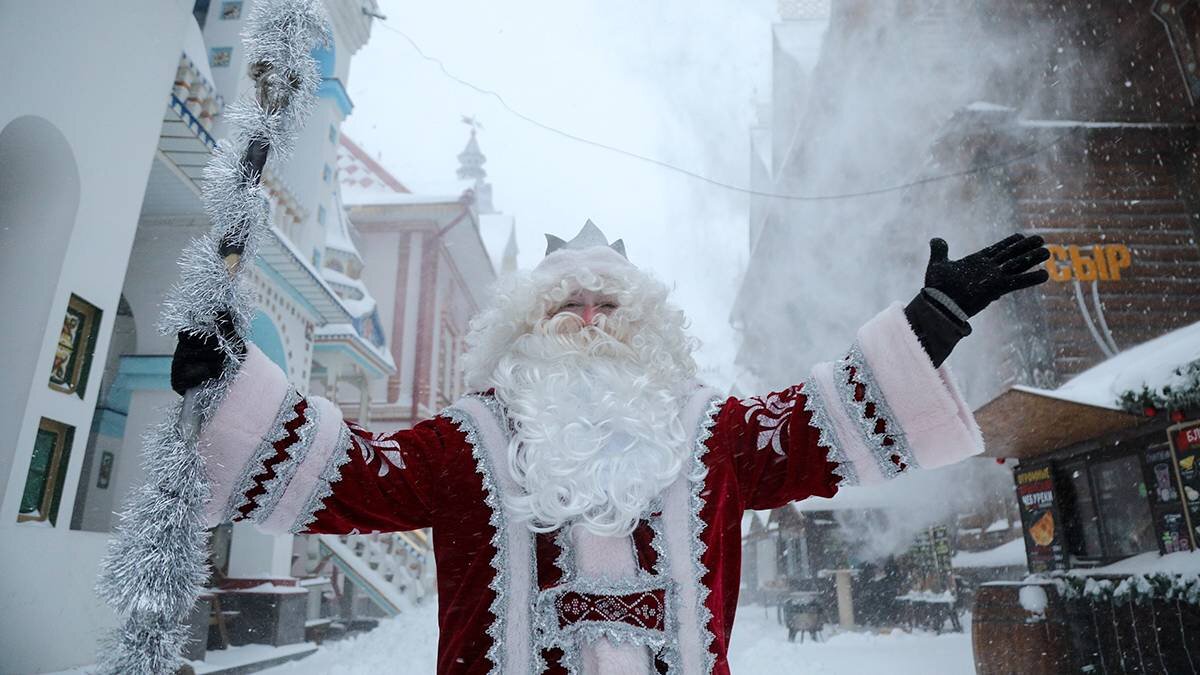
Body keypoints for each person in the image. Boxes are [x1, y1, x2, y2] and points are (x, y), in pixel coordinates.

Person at [172, 222, 1049, 674]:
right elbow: (355, 469)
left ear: (646, 325)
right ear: (529, 326)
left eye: (610, 306)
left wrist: (930, 324)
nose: (590, 321)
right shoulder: (468, 441)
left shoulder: (714, 433)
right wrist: (230, 385)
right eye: (568, 307)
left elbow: (814, 421)